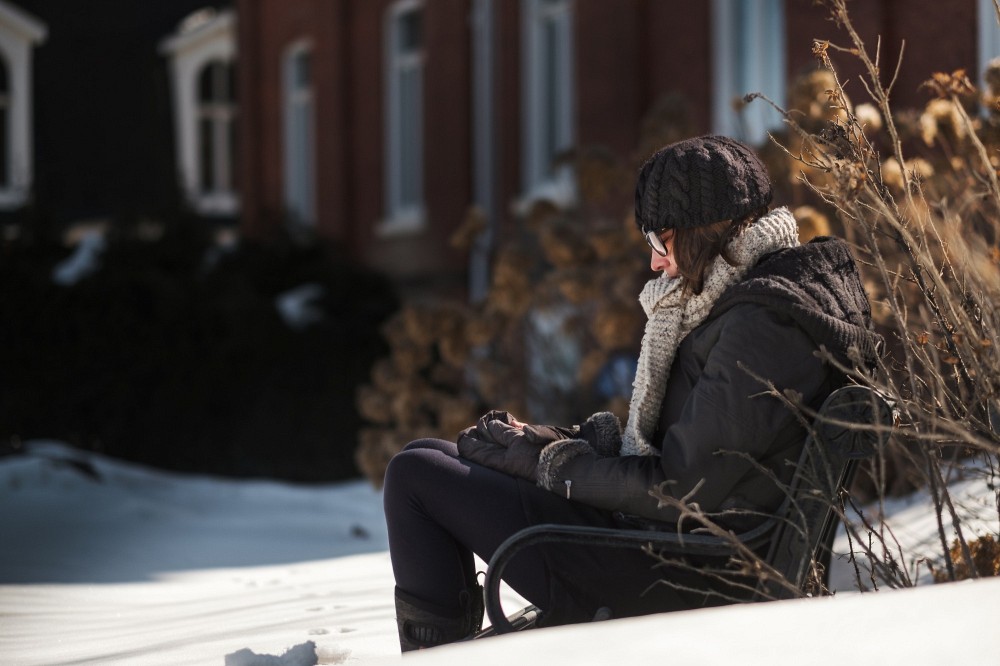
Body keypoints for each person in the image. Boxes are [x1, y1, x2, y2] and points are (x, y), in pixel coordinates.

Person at [382, 135, 883, 651]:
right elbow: (687, 448)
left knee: (417, 477)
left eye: (658, 241)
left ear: (698, 232)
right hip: (671, 547)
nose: (654, 262)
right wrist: (543, 441)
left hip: (682, 574)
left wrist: (549, 464)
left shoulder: (765, 324)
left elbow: (681, 485)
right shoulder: (755, 303)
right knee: (429, 455)